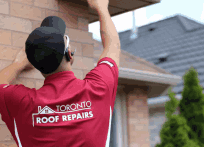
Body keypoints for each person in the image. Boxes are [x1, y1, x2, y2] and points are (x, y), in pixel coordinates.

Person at [0, 0, 121, 146]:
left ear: (36, 65)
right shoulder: (99, 88)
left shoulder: (23, 103)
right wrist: (101, 8)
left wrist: (18, 64)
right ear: (70, 54)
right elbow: (112, 46)